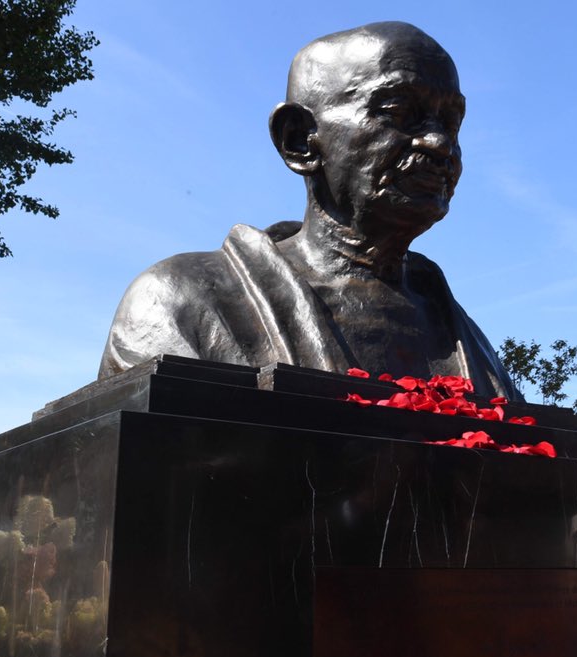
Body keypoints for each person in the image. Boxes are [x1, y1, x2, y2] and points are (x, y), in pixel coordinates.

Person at [98, 22, 520, 400]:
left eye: (450, 122)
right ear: (299, 140)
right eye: (400, 113)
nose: (440, 144)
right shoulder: (181, 301)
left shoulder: (459, 332)